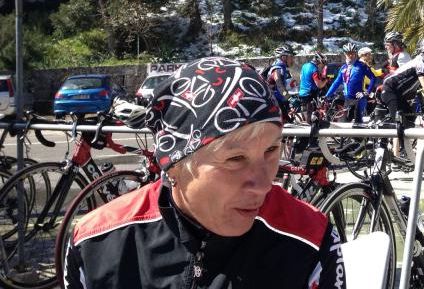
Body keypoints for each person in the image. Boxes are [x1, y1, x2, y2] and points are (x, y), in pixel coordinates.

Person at [63, 57, 347, 288]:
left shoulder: (312, 240)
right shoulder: (95, 242)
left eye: (271, 150)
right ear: (174, 164)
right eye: (236, 158)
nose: (263, 185)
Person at [379, 39, 424, 124]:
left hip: (399, 93)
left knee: (410, 120)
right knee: (401, 124)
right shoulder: (420, 62)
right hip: (390, 90)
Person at [324, 42, 375, 123]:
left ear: (355, 54)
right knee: (343, 123)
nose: (351, 55)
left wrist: (366, 92)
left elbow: (373, 78)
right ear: (345, 54)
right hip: (347, 99)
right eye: (348, 53)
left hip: (359, 99)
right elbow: (336, 83)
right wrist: (327, 96)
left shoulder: (361, 65)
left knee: (358, 123)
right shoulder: (343, 68)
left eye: (353, 53)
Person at [267, 45, 295, 119]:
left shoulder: (282, 68)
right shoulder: (277, 70)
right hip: (274, 101)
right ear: (283, 57)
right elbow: (280, 87)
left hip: (279, 100)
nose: (292, 60)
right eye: (290, 57)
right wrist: (288, 98)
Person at [298, 51, 329, 120]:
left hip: (302, 93)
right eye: (322, 63)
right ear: (318, 61)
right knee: (313, 117)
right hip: (310, 94)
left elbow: (301, 78)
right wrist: (326, 80)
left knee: (307, 115)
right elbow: (319, 85)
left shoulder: (304, 65)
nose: (321, 65)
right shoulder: (314, 69)